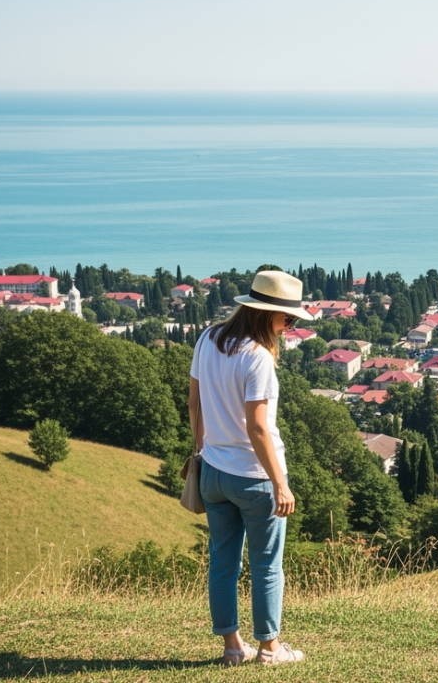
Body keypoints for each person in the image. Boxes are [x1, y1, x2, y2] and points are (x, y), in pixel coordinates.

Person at [189, 270, 308, 666]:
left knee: (222, 562)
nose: (289, 327)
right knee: (266, 565)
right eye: (288, 319)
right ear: (266, 314)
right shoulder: (257, 358)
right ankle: (270, 649)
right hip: (254, 478)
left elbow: (195, 403)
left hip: (214, 472)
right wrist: (281, 484)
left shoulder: (207, 338)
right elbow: (258, 427)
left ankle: (231, 648)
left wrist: (201, 449)